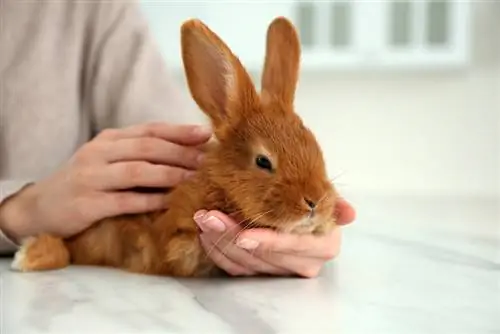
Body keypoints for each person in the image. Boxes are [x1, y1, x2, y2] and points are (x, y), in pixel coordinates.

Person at [0, 0, 355, 277]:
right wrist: (19, 209)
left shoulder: (89, 8)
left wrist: (312, 236)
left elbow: (170, 144)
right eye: (264, 163)